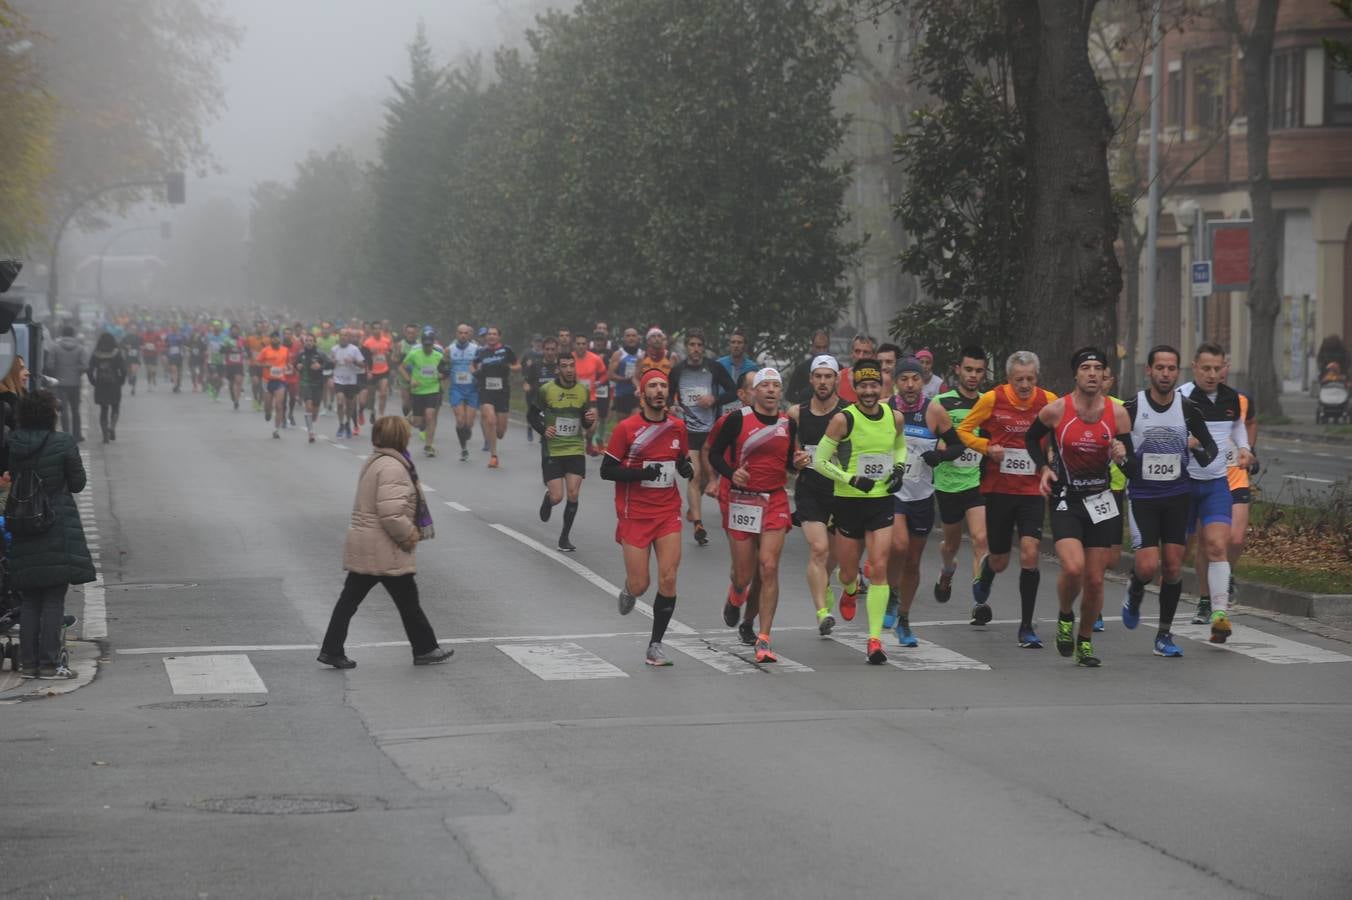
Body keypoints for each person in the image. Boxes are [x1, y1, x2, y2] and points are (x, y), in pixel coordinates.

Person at [317, 415, 453, 669]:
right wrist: (408, 535)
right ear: (400, 438)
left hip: (368, 542)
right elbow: (391, 513)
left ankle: (332, 649)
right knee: (407, 602)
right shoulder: (393, 467)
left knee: (353, 601)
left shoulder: (377, 461)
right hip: (384, 545)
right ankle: (425, 649)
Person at [1024, 348, 1132, 666]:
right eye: (1086, 367)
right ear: (1076, 374)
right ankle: (1065, 615)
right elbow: (1032, 439)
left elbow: (1132, 465)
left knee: (1096, 579)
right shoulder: (1057, 409)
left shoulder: (1119, 414)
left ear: (1105, 375)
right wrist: (1043, 468)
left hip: (1101, 498)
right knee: (1073, 568)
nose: (1092, 373)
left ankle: (1084, 641)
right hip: (1066, 499)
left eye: (1099, 368)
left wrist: (1122, 455)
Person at [1118, 345, 1218, 658]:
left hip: (1177, 497)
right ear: (1149, 370)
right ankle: (1135, 589)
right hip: (1144, 497)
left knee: (1173, 568)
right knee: (1148, 566)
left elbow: (1211, 452)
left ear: (1178, 372)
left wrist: (1194, 447)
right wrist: (1125, 460)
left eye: (1171, 368)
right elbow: (1118, 453)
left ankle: (1163, 635)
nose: (1165, 374)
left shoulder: (1187, 409)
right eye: (1159, 367)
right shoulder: (1131, 407)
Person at [812, 359, 908, 665]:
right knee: (849, 571)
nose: (869, 391)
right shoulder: (843, 419)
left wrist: (899, 468)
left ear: (882, 387)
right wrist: (850, 478)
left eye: (874, 385)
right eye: (863, 386)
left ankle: (875, 639)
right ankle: (849, 588)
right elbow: (820, 461)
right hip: (849, 501)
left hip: (881, 500)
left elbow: (900, 446)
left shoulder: (895, 417)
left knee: (879, 567)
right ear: (854, 388)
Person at [956, 350, 1057, 637]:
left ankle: (1026, 625)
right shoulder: (992, 399)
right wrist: (986, 447)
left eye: (1030, 379)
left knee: (1030, 553)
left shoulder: (1049, 401)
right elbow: (963, 430)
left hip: (1032, 489)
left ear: (1037, 378)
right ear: (1008, 378)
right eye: (1018, 380)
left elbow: (1062, 431)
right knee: (1000, 560)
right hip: (999, 489)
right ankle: (987, 572)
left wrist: (1051, 452)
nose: (1024, 385)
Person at [707, 367, 803, 663]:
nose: (772, 390)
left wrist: (798, 463)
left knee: (769, 566)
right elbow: (714, 453)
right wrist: (729, 473)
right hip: (742, 501)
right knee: (744, 575)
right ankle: (736, 595)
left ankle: (764, 638)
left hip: (774, 499)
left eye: (777, 385)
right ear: (755, 392)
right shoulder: (737, 420)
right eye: (766, 386)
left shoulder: (789, 424)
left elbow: (789, 462)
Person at [601, 368, 695, 666]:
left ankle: (655, 645)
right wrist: (641, 473)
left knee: (668, 578)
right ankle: (630, 589)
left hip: (667, 511)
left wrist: (686, 469)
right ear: (642, 394)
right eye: (652, 386)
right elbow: (607, 470)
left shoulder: (677, 427)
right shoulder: (626, 429)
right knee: (642, 584)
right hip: (635, 514)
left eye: (663, 386)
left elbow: (681, 460)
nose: (658, 390)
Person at [8, 390, 96, 679]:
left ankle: (30, 664)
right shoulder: (62, 443)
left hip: (22, 523)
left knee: (30, 597)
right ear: (51, 415)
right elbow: (78, 483)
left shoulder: (13, 444)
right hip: (55, 523)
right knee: (54, 598)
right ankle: (49, 663)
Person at [883, 357, 968, 647]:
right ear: (896, 381)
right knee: (898, 545)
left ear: (922, 381)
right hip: (892, 493)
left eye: (915, 379)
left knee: (913, 561)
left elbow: (958, 445)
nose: (909, 385)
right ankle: (891, 596)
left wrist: (940, 456)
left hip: (921, 495)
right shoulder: (885, 408)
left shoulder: (932, 410)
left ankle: (904, 618)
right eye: (904, 379)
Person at [1178, 343, 1252, 642]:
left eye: (1217, 368)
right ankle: (1141, 586)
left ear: (1225, 368)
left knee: (1216, 546)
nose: (1212, 375)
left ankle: (1218, 612)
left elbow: (1237, 428)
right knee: (1175, 555)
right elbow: (1164, 432)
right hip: (1183, 484)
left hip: (1216, 484)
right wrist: (1186, 441)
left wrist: (1245, 448)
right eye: (1206, 368)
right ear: (1194, 366)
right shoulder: (1181, 396)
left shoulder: (1231, 397)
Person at [787, 355, 844, 636]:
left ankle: (829, 588)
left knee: (835, 556)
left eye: (828, 376)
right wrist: (794, 463)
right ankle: (822, 612)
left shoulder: (849, 413)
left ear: (837, 380)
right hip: (809, 489)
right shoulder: (797, 413)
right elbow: (787, 452)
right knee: (819, 549)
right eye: (818, 376)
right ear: (811, 379)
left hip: (842, 491)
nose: (823, 382)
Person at [670, 329, 738, 546]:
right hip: (687, 430)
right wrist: (672, 406)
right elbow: (667, 395)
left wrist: (714, 399)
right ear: (686, 347)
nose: (696, 349)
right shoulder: (678, 370)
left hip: (710, 431)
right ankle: (698, 525)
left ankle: (693, 506)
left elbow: (733, 391)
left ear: (704, 347)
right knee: (695, 475)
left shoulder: (714, 368)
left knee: (703, 480)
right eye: (692, 345)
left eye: (699, 345)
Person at [932, 347, 989, 605]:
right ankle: (947, 569)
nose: (973, 375)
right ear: (958, 370)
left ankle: (979, 601)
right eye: (968, 369)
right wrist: (938, 447)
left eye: (978, 370)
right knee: (951, 546)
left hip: (977, 482)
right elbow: (928, 438)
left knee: (981, 539)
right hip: (947, 484)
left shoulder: (989, 402)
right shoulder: (941, 403)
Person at [529, 352, 596, 551]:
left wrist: (589, 419)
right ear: (558, 369)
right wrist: (543, 429)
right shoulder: (546, 390)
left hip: (575, 448)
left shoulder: (583, 390)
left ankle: (564, 537)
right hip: (553, 450)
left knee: (573, 494)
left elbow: (584, 420)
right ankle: (548, 500)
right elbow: (531, 415)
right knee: (558, 496)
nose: (568, 370)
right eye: (564, 366)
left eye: (571, 366)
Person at [473, 326, 518, 468]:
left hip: (502, 391)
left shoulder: (506, 350)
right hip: (486, 390)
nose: (491, 336)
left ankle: (496, 437)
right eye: (489, 334)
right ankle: (493, 455)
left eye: (494, 334)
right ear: (486, 337)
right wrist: (476, 373)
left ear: (499, 337)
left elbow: (518, 365)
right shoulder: (481, 351)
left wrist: (509, 368)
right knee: (490, 420)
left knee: (501, 431)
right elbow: (472, 365)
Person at [401, 328, 450, 457]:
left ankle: (429, 446)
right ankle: (410, 419)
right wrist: (409, 379)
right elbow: (402, 367)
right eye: (425, 344)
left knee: (430, 415)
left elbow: (445, 372)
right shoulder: (414, 354)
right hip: (418, 391)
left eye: (430, 344)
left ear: (433, 343)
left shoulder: (438, 356)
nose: (427, 346)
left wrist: (442, 376)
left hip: (433, 390)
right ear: (422, 343)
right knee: (417, 422)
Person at [48, 325, 88, 442]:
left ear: (62, 334)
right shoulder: (80, 348)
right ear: (73, 335)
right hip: (75, 383)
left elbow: (49, 365)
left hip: (60, 384)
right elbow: (85, 366)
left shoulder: (55, 348)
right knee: (76, 410)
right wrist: (76, 371)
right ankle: (77, 435)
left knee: (63, 410)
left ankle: (66, 434)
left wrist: (57, 372)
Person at [87, 333, 127, 443]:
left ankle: (105, 435)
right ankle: (112, 427)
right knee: (115, 406)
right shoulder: (117, 353)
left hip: (101, 384)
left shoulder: (96, 354)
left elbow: (89, 370)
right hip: (114, 383)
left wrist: (93, 381)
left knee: (103, 410)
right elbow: (123, 369)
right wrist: (122, 380)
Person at [254, 331, 292, 439]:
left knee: (279, 405)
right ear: (270, 340)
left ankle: (276, 430)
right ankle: (267, 412)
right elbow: (257, 362)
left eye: (277, 338)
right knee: (268, 406)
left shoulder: (285, 350)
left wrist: (289, 367)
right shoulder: (265, 350)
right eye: (273, 338)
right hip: (267, 381)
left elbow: (288, 363)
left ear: (280, 339)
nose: (275, 340)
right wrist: (265, 364)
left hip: (280, 380)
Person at [295, 333, 331, 444]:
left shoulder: (320, 354)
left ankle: (312, 422)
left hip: (318, 384)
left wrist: (320, 366)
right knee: (308, 406)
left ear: (314, 342)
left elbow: (330, 364)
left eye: (311, 340)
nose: (309, 342)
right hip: (305, 383)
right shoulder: (301, 354)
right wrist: (297, 366)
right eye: (307, 340)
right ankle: (311, 432)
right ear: (304, 342)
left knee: (315, 411)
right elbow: (295, 364)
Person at [330, 331, 366, 439]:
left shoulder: (354, 349)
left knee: (350, 405)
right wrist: (331, 364)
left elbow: (363, 365)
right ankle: (341, 424)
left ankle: (348, 424)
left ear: (349, 338)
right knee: (340, 402)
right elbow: (330, 364)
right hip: (338, 379)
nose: (343, 337)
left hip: (351, 380)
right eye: (341, 335)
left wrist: (353, 361)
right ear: (339, 337)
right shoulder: (334, 349)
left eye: (345, 335)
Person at [785, 329, 833, 405]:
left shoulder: (838, 368)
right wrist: (805, 403)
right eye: (818, 347)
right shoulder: (801, 369)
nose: (822, 351)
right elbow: (789, 395)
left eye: (824, 347)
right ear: (812, 347)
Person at [836, 333, 877, 405]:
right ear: (852, 353)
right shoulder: (839, 377)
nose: (860, 357)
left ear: (874, 356)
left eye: (866, 352)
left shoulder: (881, 380)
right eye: (857, 351)